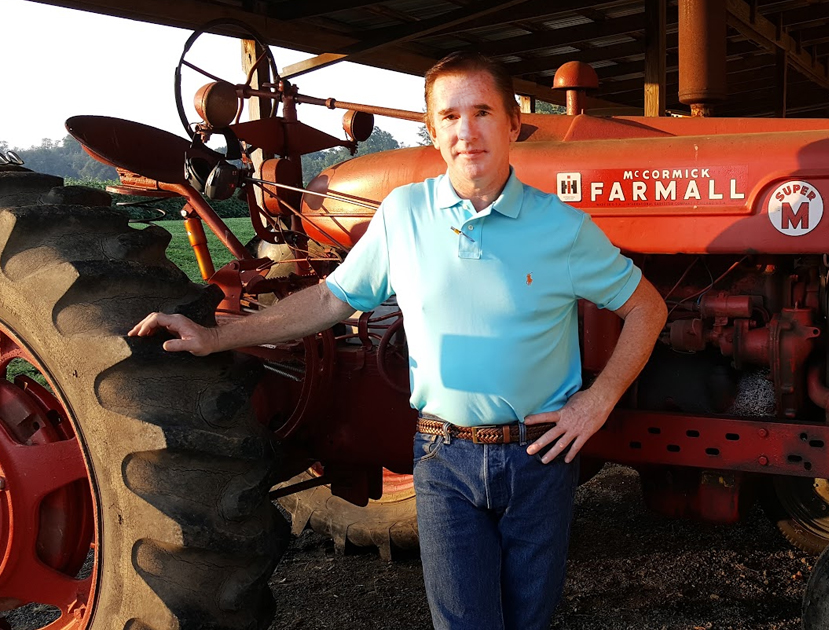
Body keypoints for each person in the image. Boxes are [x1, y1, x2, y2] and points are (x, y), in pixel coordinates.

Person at [128, 51, 667, 630]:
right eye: (450, 116)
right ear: (433, 131)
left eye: (482, 111)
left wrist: (599, 399)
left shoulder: (562, 227)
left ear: (512, 123)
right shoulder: (404, 214)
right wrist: (216, 336)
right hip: (444, 456)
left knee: (529, 619)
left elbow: (646, 308)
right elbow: (332, 299)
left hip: (537, 457)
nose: (467, 130)